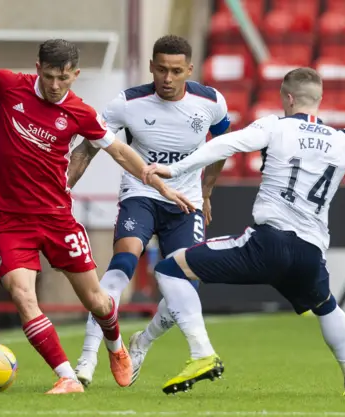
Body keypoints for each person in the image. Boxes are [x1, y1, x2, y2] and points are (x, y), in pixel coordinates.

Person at [0, 22, 194, 395]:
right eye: (49, 76)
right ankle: (67, 375)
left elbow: (118, 151)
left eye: (63, 79)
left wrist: (159, 184)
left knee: (97, 301)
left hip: (56, 219)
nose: (55, 86)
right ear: (38, 68)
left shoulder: (81, 112)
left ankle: (116, 348)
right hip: (9, 220)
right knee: (22, 295)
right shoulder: (8, 85)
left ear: (75, 75)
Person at [142, 67, 345, 395]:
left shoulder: (275, 127)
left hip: (267, 244)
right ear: (320, 100)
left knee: (171, 269)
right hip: (310, 253)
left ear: (288, 97)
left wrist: (175, 168)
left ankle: (201, 353)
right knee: (326, 304)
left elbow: (226, 144)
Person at [66, 35, 231, 387]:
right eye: (160, 70)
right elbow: (86, 150)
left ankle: (142, 341)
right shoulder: (127, 104)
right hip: (140, 194)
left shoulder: (212, 102)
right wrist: (62, 189)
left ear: (189, 69)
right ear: (151, 67)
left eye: (175, 71)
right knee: (123, 263)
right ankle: (88, 358)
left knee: (185, 287)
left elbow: (221, 146)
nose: (167, 78)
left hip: (184, 203)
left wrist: (207, 192)